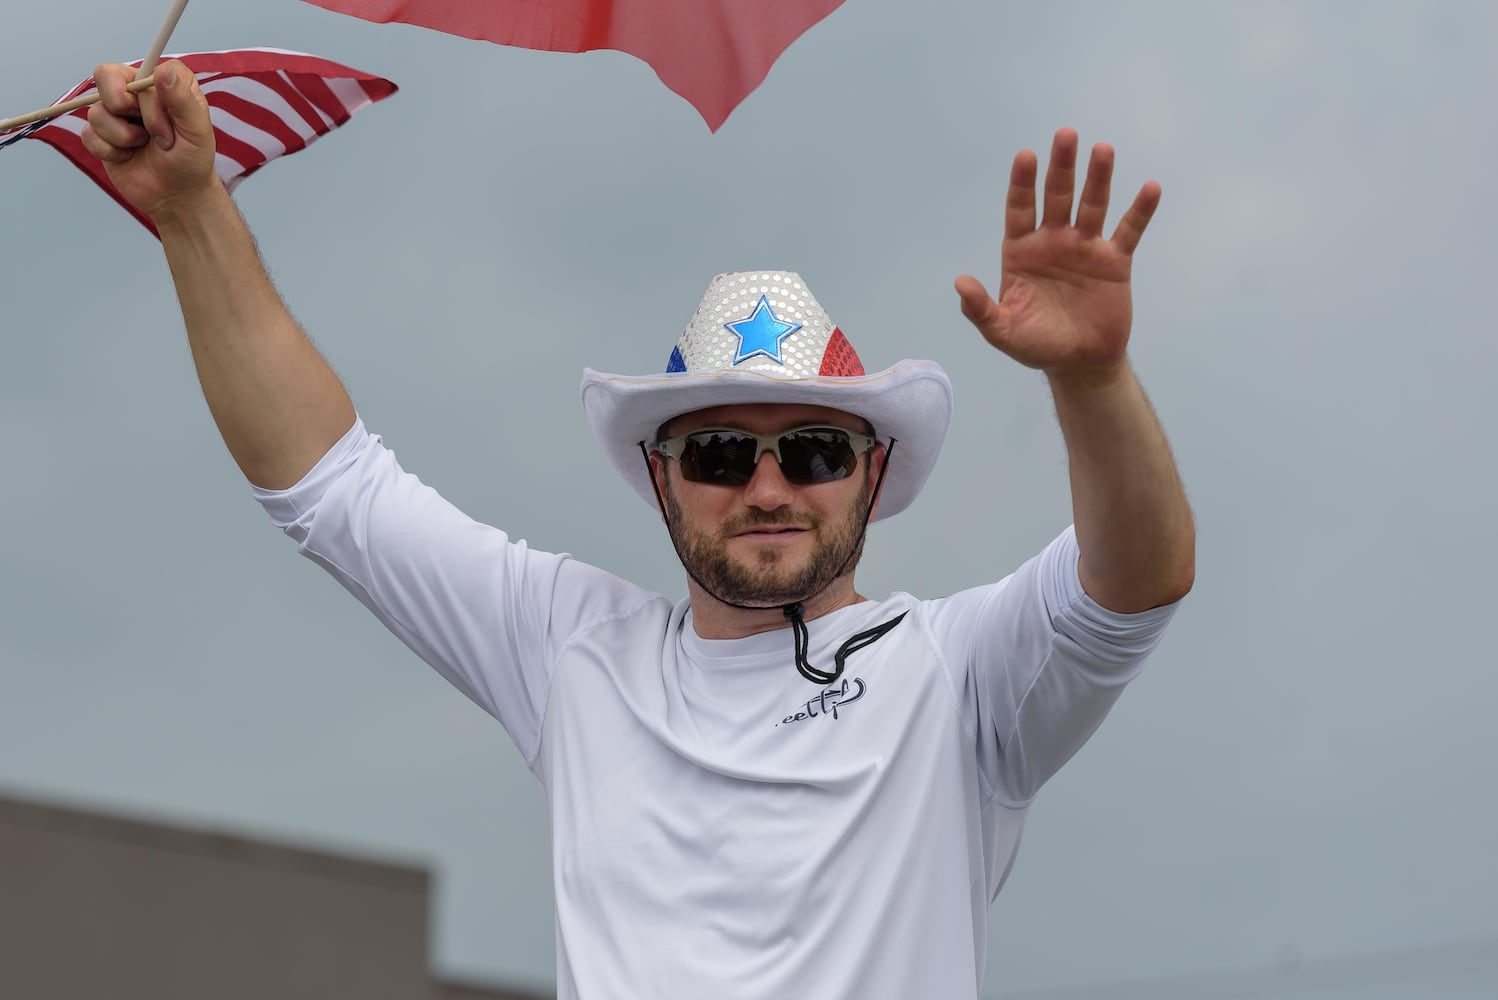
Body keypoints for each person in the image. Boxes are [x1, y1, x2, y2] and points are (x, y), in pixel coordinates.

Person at [83, 59, 1195, 999]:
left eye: (812, 451)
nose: (767, 486)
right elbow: (332, 489)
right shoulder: (574, 648)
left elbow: (1133, 581)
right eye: (719, 453)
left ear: (872, 472)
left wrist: (1094, 381)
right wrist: (192, 210)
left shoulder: (960, 673)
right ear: (662, 479)